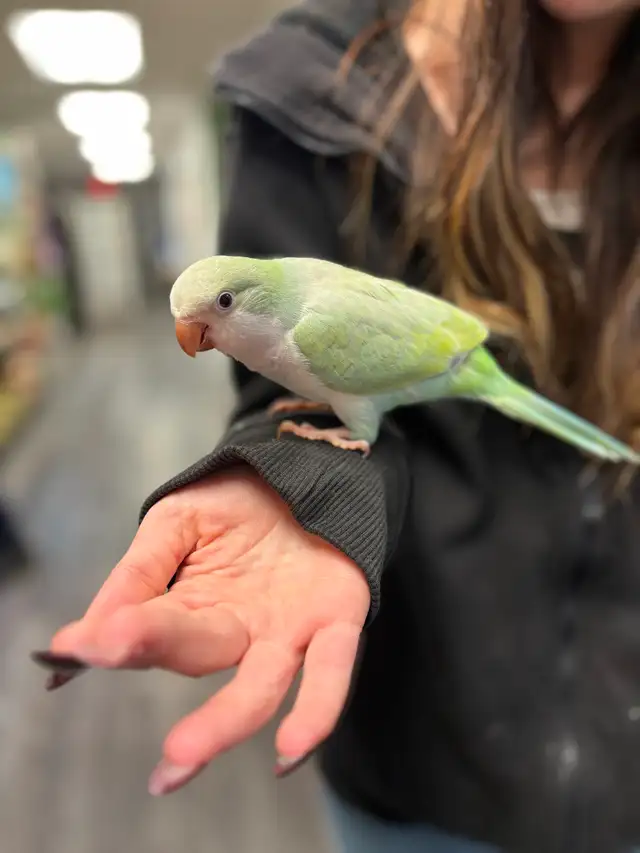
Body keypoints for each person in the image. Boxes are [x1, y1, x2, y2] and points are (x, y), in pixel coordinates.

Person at [45, 0, 640, 851]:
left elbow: (370, 386)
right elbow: (273, 405)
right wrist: (282, 473)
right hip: (417, 762)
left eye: (216, 309)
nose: (201, 331)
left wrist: (339, 425)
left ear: (249, 301)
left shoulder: (313, 326)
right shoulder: (301, 84)